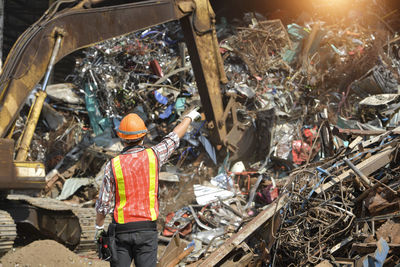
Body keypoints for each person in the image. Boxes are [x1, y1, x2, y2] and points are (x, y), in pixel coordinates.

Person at [94, 109, 201, 267]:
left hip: (121, 231)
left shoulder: (113, 165)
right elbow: (174, 137)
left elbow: (103, 204)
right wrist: (189, 118)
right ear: (144, 136)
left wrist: (99, 227)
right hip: (147, 230)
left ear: (122, 137)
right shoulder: (154, 156)